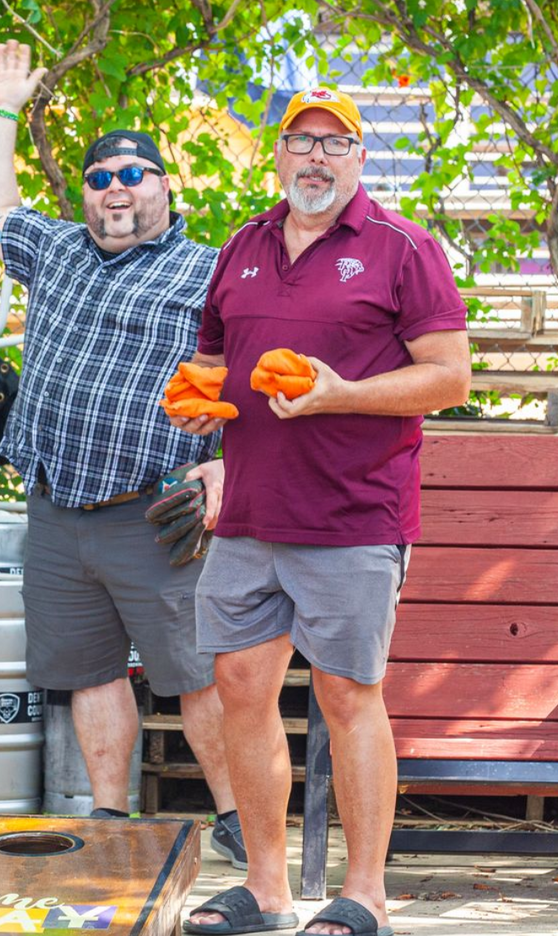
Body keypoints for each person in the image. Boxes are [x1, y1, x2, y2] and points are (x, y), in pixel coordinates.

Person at [173, 86, 471, 936]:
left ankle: (365, 893)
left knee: (347, 695)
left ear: (359, 158)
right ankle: (267, 890)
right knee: (239, 687)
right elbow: (215, 359)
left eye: (334, 143)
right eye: (301, 141)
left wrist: (343, 394)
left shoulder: (402, 247)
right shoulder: (243, 245)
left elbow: (450, 376)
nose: (316, 157)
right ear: (278, 155)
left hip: (353, 515)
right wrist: (199, 402)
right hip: (247, 513)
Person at [0, 42, 244, 862]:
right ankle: (111, 817)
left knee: (196, 678)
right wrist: (3, 109)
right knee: (89, 673)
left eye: (133, 174)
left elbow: (257, 379)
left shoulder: (212, 273)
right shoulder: (56, 250)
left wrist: (229, 462)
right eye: (99, 177)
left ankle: (241, 820)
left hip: (156, 512)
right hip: (58, 511)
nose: (115, 188)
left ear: (165, 186)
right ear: (83, 193)